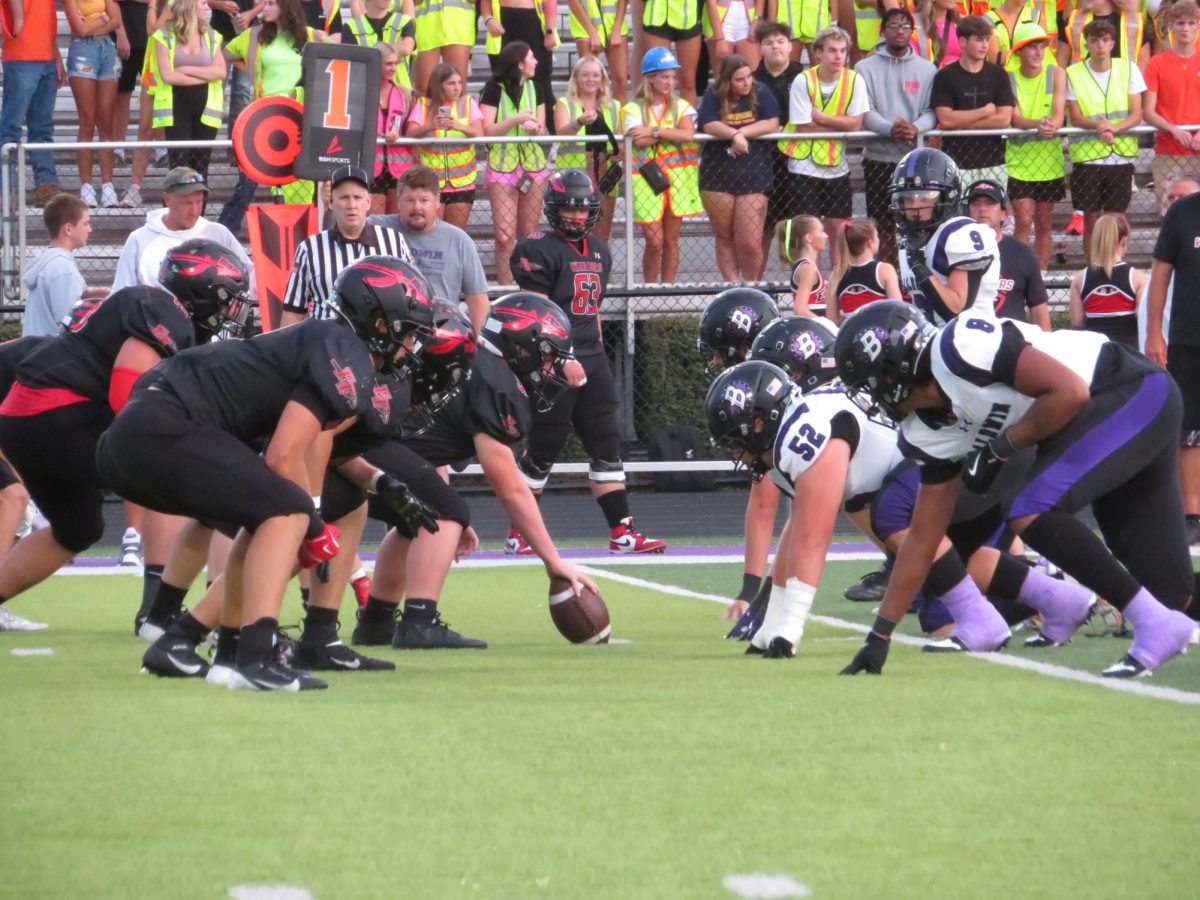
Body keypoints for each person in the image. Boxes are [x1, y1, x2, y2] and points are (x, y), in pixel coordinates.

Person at [98, 260, 433, 690]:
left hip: (145, 428)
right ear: (380, 321)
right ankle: (256, 657)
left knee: (270, 515)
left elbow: (301, 446)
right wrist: (312, 525)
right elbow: (283, 456)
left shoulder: (324, 341)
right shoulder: (344, 349)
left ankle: (191, 645)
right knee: (288, 512)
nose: (410, 345)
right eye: (407, 331)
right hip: (163, 422)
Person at [834, 299, 1197, 679]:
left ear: (891, 370)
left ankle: (1153, 623)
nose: (873, 399)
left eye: (871, 385)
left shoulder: (958, 349)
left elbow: (1069, 392)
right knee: (1172, 592)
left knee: (1030, 507)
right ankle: (1160, 616)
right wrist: (880, 635)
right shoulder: (924, 432)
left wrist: (1001, 447)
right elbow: (923, 538)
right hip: (1108, 420)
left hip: (1130, 390)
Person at [352, 293, 602, 651]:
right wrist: (553, 561)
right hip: (366, 446)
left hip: (362, 443)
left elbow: (426, 442)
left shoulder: (479, 364)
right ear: (523, 348)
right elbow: (510, 489)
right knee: (446, 510)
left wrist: (439, 499)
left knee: (416, 517)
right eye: (547, 355)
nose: (550, 368)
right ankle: (419, 623)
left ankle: (376, 622)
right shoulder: (497, 383)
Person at [0, 280, 240, 630]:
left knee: (79, 527)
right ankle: (158, 612)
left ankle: (160, 611)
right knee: (168, 474)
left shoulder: (74, 350)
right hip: (46, 415)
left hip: (36, 419)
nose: (228, 314)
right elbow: (126, 398)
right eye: (224, 302)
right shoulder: (155, 311)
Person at [502, 170, 668, 557]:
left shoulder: (599, 250)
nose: (577, 218)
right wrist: (560, 358)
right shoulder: (536, 248)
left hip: (591, 357)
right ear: (552, 209)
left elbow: (591, 311)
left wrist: (592, 355)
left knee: (607, 444)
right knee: (544, 448)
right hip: (551, 359)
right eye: (569, 210)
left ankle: (622, 532)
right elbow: (534, 314)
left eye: (583, 210)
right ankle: (519, 533)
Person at [220, 0, 328, 234]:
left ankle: (302, 231)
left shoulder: (311, 36)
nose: (263, 7)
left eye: (270, 3)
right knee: (249, 177)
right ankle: (226, 228)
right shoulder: (255, 34)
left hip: (299, 118)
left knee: (299, 179)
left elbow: (335, 55)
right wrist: (250, 67)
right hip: (264, 117)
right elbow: (226, 54)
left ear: (286, 7)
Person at [279, 165, 415, 326]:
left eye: (357, 197)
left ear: (368, 202)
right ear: (330, 203)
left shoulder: (393, 242)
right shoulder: (310, 248)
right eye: (344, 198)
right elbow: (293, 311)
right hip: (325, 343)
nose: (351, 205)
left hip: (378, 346)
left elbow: (413, 299)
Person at [779, 26, 868, 269]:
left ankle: (838, 285)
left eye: (842, 51)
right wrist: (840, 125)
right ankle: (809, 285)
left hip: (836, 165)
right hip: (803, 165)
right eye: (831, 51)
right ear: (817, 53)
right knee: (808, 233)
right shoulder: (803, 80)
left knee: (839, 231)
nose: (838, 56)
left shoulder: (854, 79)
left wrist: (823, 118)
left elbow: (856, 124)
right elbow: (804, 126)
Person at [856, 6, 938, 266]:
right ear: (882, 31)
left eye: (906, 26)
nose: (900, 31)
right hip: (878, 159)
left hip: (915, 158)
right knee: (882, 223)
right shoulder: (863, 67)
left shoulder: (927, 69)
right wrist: (890, 129)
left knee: (917, 221)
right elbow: (865, 110)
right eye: (893, 26)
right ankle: (888, 276)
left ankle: (916, 273)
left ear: (913, 32)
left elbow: (931, 111)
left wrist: (915, 128)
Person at [368, 165, 490, 332]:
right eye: (410, 200)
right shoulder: (378, 228)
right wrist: (330, 201)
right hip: (393, 333)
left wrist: (478, 345)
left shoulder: (459, 240)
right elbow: (347, 222)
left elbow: (477, 300)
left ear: (437, 200)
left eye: (424, 200)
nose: (417, 207)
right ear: (398, 200)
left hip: (441, 333)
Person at [1146, 178, 1200, 544]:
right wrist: (1154, 332)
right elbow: (1160, 275)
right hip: (1189, 339)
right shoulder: (1182, 213)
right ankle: (1193, 514)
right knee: (1191, 432)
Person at [1065, 18, 1144, 266]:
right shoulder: (1073, 72)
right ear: (1087, 44)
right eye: (1095, 40)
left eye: (1106, 40)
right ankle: (1094, 270)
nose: (1101, 45)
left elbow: (1136, 113)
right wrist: (1099, 127)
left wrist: (1114, 128)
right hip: (1087, 156)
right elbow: (1076, 116)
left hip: (1120, 153)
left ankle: (1116, 266)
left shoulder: (1129, 68)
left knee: (1116, 219)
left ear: (1113, 43)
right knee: (1091, 220)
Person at [891, 147, 1001, 326]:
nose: (914, 206)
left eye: (925, 196)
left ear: (947, 196)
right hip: (930, 342)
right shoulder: (910, 241)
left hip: (971, 341)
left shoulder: (961, 233)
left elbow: (956, 311)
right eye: (907, 198)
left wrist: (918, 265)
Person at [698, 53, 780, 281]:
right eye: (739, 79)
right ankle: (732, 286)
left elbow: (773, 122)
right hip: (718, 174)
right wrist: (733, 134)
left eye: (748, 77)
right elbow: (708, 123)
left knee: (750, 242)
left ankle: (752, 287)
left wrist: (742, 134)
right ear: (727, 81)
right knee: (724, 236)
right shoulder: (713, 95)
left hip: (754, 174)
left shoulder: (761, 91)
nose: (747, 83)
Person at [625, 47, 701, 283]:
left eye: (672, 77)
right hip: (644, 181)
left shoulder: (682, 106)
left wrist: (655, 131)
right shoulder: (633, 108)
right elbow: (639, 140)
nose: (670, 82)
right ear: (650, 78)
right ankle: (649, 289)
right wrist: (669, 133)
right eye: (664, 76)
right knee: (654, 241)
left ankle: (667, 289)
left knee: (670, 241)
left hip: (677, 181)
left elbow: (687, 135)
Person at [481, 41, 550, 285]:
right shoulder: (492, 89)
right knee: (504, 235)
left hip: (532, 167)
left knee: (528, 235)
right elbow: (487, 131)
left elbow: (543, 131)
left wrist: (535, 128)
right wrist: (516, 120)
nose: (536, 62)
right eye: (532, 58)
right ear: (520, 64)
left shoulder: (536, 87)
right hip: (502, 167)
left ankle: (526, 287)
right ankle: (506, 289)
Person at [114, 167, 251, 290]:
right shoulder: (140, 239)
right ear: (167, 199)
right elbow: (121, 293)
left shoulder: (219, 234)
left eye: (199, 201)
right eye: (187, 203)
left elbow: (249, 275)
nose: (195, 210)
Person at [1005, 23, 1065, 272]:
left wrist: (1053, 124)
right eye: (1032, 47)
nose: (1039, 52)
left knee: (1044, 224)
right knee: (1023, 221)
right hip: (1018, 161)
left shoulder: (1057, 73)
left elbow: (1060, 114)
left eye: (1042, 47)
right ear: (1019, 51)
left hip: (1049, 161)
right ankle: (1016, 277)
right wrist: (1037, 124)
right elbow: (1015, 118)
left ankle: (1038, 277)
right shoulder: (1008, 78)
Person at [930, 16, 1014, 188]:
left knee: (991, 213)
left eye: (986, 40)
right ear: (962, 41)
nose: (985, 46)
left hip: (994, 162)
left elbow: (1004, 120)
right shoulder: (945, 76)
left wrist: (959, 123)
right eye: (978, 40)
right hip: (956, 164)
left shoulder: (999, 75)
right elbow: (945, 119)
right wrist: (984, 112)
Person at [0, 0, 66, 207]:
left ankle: (46, 185)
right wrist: (18, 18)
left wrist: (55, 55)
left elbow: (46, 18)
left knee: (42, 128)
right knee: (12, 128)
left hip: (44, 54)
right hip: (22, 54)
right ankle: (8, 188)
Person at [151, 0, 227, 179]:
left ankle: (199, 207)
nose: (208, 8)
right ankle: (175, 206)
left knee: (201, 165)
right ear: (190, 6)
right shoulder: (163, 36)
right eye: (203, 3)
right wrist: (205, 75)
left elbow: (221, 71)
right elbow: (168, 76)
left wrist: (185, 70)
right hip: (177, 107)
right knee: (179, 165)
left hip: (206, 107)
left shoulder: (212, 35)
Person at [405, 63, 484, 231]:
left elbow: (479, 134)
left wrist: (458, 126)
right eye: (451, 83)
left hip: (463, 180)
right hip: (431, 182)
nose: (457, 88)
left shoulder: (468, 103)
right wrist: (430, 125)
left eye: (459, 83)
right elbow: (410, 134)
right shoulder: (424, 105)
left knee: (456, 234)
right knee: (432, 233)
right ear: (438, 85)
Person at [554, 56, 623, 242]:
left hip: (604, 177)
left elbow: (622, 145)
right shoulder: (564, 103)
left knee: (601, 235)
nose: (591, 79)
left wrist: (619, 153)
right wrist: (579, 122)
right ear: (576, 78)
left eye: (595, 75)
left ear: (602, 79)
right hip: (572, 180)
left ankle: (599, 270)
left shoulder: (614, 107)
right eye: (585, 75)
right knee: (571, 235)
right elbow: (561, 134)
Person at [753, 21, 806, 265]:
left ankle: (800, 280)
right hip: (762, 161)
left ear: (790, 45)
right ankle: (756, 286)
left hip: (796, 160)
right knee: (761, 229)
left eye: (780, 41)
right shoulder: (751, 80)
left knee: (797, 228)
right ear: (760, 48)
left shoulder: (803, 77)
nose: (775, 47)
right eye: (768, 43)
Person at [966, 179, 1051, 329]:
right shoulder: (955, 251)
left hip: (1013, 344)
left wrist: (1045, 347)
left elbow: (1039, 310)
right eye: (976, 203)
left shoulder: (1022, 254)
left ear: (1003, 213)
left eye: (990, 203)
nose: (982, 209)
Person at [63, 0, 124, 208]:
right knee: (87, 119)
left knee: (106, 121)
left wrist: (96, 26)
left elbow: (116, 19)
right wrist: (102, 18)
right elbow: (78, 28)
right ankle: (86, 187)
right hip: (82, 51)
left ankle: (108, 186)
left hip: (107, 48)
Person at [1142, 0, 1200, 213]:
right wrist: (1174, 130)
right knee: (1169, 217)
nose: (1185, 28)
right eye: (1180, 23)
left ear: (1198, 26)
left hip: (1198, 151)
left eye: (1191, 23)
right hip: (1168, 153)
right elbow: (1148, 111)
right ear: (1170, 27)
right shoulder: (1157, 63)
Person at [21, 195, 107, 338]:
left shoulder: (47, 261)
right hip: (51, 357)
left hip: (36, 353)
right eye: (85, 224)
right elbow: (69, 328)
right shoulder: (62, 269)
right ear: (68, 229)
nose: (90, 230)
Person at [1069, 212, 1144, 347]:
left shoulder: (1080, 279)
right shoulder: (1137, 278)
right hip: (1129, 354)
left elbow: (1077, 322)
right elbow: (1144, 319)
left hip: (1095, 353)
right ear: (1124, 241)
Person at [482, 0, 559, 120]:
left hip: (532, 24)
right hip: (502, 24)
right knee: (503, 83)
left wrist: (550, 31)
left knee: (543, 88)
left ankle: (555, 136)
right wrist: (488, 19)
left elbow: (550, 2)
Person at [829, 218, 902, 324]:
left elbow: (832, 319)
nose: (879, 239)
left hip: (850, 335)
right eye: (877, 236)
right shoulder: (884, 270)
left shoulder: (837, 274)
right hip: (880, 334)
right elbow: (897, 309)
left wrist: (854, 322)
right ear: (870, 242)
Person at [372, 42, 415, 216]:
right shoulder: (362, 92)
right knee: (374, 222)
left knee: (397, 223)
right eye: (388, 64)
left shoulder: (405, 94)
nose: (393, 68)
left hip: (399, 167)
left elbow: (411, 128)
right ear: (376, 64)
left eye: (396, 63)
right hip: (371, 166)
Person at [341, 0, 416, 92]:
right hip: (367, 92)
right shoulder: (351, 27)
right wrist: (394, 50)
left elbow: (406, 48)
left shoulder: (404, 22)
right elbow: (353, 63)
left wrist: (370, 53)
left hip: (401, 94)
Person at [639, 0, 703, 103]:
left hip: (688, 17)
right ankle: (656, 118)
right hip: (656, 16)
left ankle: (688, 118)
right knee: (656, 79)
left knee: (688, 81)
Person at [566, 0, 629, 101]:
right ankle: (591, 115)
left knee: (621, 81)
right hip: (585, 28)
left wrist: (617, 28)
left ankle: (619, 115)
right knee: (589, 81)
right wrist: (592, 33)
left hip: (613, 23)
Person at [412, 0, 474, 98]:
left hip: (458, 26)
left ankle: (459, 113)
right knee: (424, 89)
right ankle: (423, 113)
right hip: (425, 26)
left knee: (458, 88)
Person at [1062, 0, 1149, 68]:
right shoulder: (1073, 20)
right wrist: (1051, 89)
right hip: (1079, 87)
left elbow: (1144, 62)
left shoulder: (1135, 22)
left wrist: (1134, 87)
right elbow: (1059, 61)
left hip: (1123, 88)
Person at [775, 214, 829, 316]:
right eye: (821, 231)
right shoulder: (807, 269)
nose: (826, 235)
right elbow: (799, 310)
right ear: (809, 238)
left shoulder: (808, 267)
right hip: (812, 329)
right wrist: (825, 324)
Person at [703, 0, 761, 74]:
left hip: (748, 20)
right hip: (721, 24)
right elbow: (710, 3)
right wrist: (720, 38)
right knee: (724, 77)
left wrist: (756, 20)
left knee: (753, 75)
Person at [769, 0, 834, 61]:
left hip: (818, 26)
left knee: (819, 70)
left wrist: (834, 22)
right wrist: (772, 25)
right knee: (790, 70)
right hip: (789, 26)